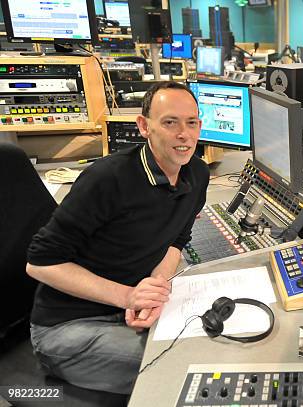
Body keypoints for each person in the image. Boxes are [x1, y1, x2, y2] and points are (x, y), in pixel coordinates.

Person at [26, 81, 209, 394]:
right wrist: (127, 296)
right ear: (144, 127)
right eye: (170, 122)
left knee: (211, 342)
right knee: (186, 364)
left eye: (191, 123)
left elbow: (177, 239)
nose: (184, 134)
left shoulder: (197, 173)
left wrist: (156, 288)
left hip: (127, 312)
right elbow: (40, 263)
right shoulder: (106, 179)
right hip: (67, 328)